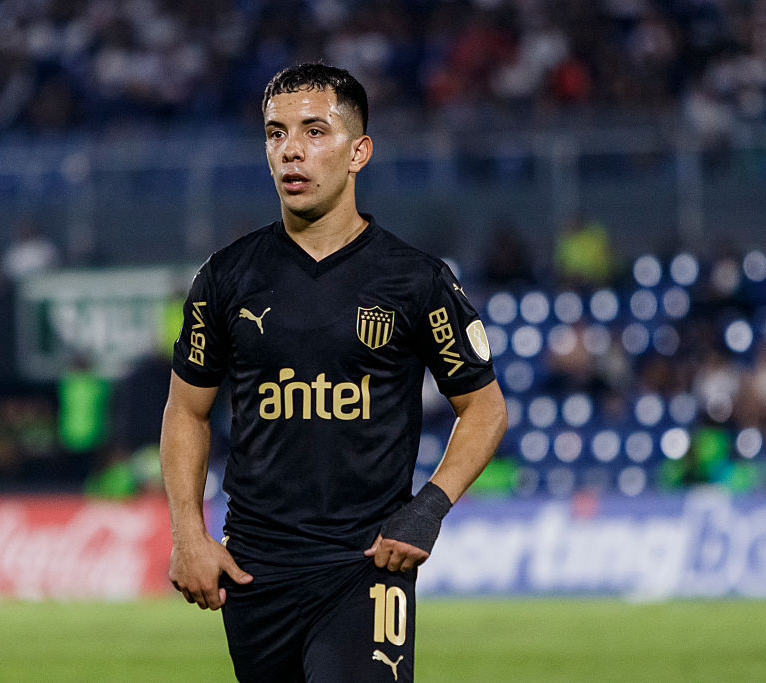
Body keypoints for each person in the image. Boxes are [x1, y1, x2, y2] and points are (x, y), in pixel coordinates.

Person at [160, 63, 507, 682]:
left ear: (359, 152)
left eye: (314, 131)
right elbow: (186, 410)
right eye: (275, 133)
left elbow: (484, 407)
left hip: (366, 564)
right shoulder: (225, 277)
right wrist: (189, 532)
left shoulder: (415, 280)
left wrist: (426, 508)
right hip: (254, 571)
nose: (290, 149)